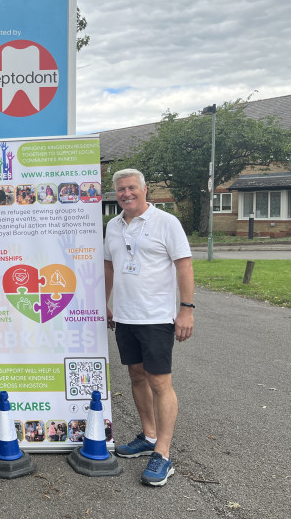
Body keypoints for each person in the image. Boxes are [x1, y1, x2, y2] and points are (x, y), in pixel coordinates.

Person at [104, 168, 194, 487]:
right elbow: (109, 266)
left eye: (131, 188)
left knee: (159, 382)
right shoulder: (113, 226)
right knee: (136, 375)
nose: (126, 194)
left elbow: (184, 265)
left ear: (144, 190)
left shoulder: (166, 223)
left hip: (156, 318)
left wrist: (186, 309)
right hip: (126, 318)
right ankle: (148, 435)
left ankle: (163, 454)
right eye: (120, 190)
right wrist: (105, 302)